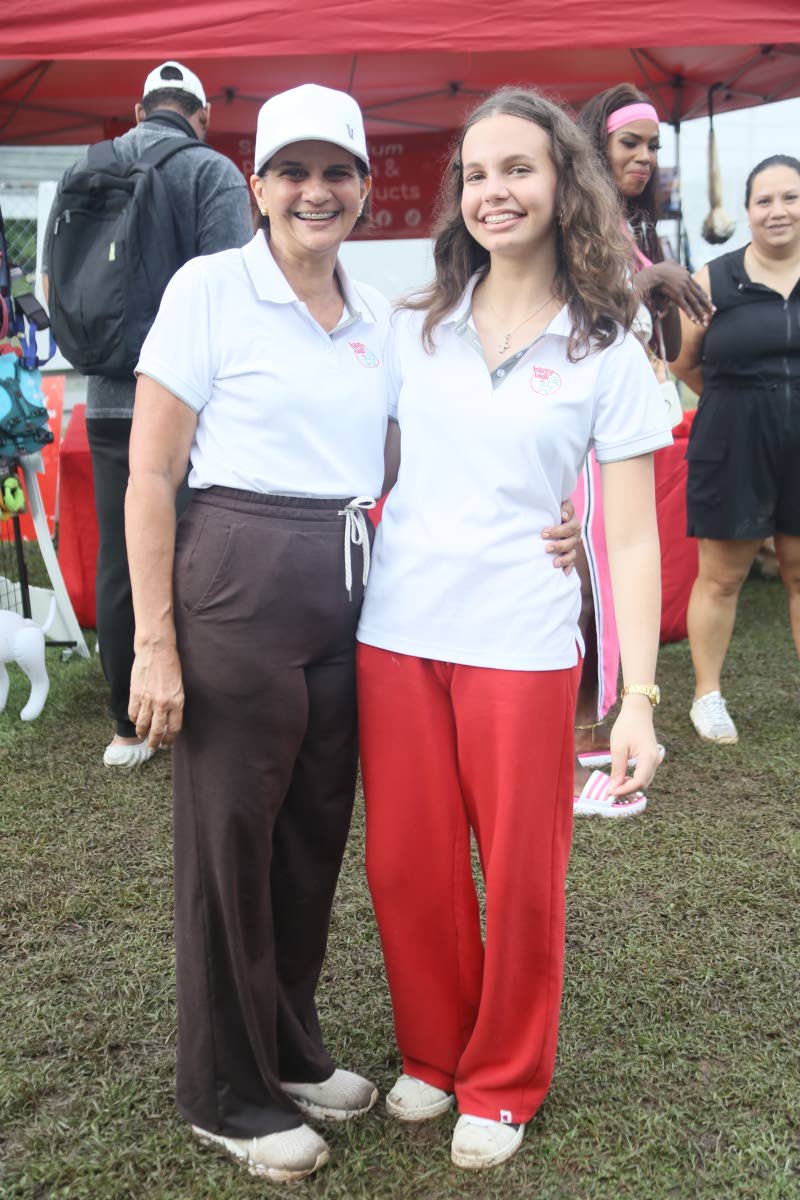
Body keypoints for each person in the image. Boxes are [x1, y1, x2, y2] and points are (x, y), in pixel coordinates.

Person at [123, 80, 583, 1183]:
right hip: (235, 583)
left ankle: (284, 1048)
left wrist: (547, 520)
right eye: (292, 171)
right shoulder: (208, 289)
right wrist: (151, 639)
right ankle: (224, 1090)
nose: (314, 191)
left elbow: (429, 446)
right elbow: (148, 469)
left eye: (336, 173)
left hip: (350, 598)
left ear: (367, 190)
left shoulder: (383, 316)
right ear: (256, 185)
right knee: (228, 846)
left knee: (309, 835)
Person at [355, 87, 671, 1171]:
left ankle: (499, 1078)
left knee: (521, 871)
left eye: (517, 170)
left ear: (562, 184)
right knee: (407, 863)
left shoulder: (606, 348)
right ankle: (433, 1053)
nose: (493, 191)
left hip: (524, 645)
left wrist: (635, 700)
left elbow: (629, 537)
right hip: (394, 631)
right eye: (475, 174)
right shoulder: (411, 327)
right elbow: (365, 465)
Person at [41, 61, 252, 767]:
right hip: (187, 402)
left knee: (118, 551)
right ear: (200, 115)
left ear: (138, 112)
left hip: (100, 397)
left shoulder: (86, 168)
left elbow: (51, 282)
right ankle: (194, 710)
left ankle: (125, 725)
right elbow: (231, 289)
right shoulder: (212, 171)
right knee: (199, 550)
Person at [568, 84, 714, 813]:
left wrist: (651, 290)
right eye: (632, 143)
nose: (646, 158)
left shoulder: (628, 225)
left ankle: (606, 721)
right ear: (600, 143)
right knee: (587, 569)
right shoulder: (578, 216)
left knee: (609, 565)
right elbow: (572, 311)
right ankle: (577, 728)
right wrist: (645, 281)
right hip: (578, 426)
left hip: (621, 420)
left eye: (654, 146)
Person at [671, 154, 800, 744]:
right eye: (765, 200)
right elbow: (683, 362)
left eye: (790, 198)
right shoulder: (713, 278)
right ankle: (707, 695)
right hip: (733, 443)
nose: (778, 211)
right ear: (746, 212)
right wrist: (739, 402)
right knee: (722, 577)